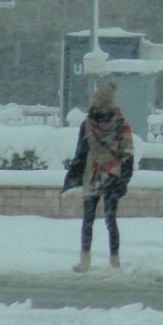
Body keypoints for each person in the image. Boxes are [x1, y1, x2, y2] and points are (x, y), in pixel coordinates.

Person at [64, 82, 135, 272]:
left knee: (88, 219)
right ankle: (114, 260)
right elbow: (128, 154)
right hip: (113, 175)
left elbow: (80, 152)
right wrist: (124, 179)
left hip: (92, 175)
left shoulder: (87, 124)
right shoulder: (121, 124)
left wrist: (72, 175)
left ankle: (85, 259)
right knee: (111, 220)